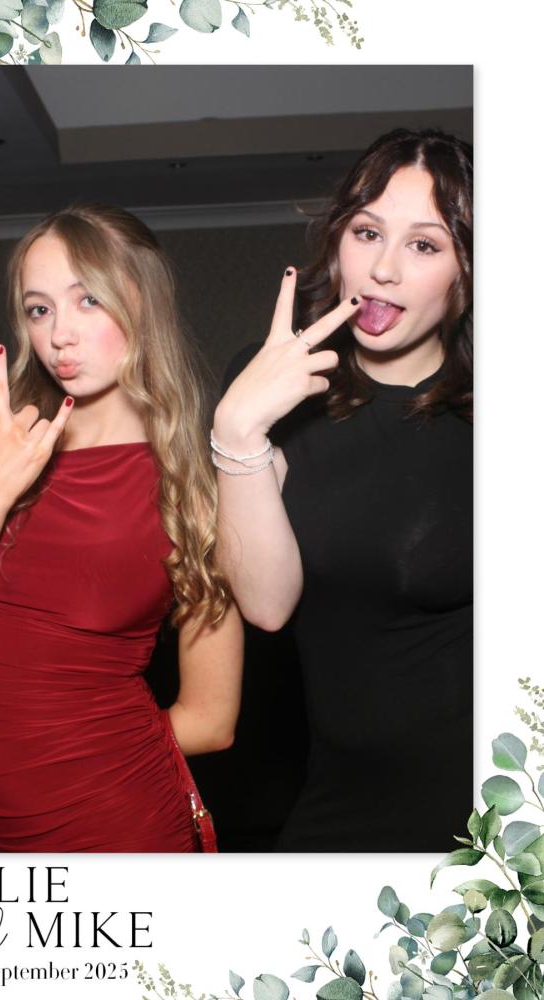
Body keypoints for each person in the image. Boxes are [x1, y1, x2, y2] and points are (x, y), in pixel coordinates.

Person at [0, 204, 243, 853]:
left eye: (88, 300)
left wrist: (65, 756)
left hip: (115, 822)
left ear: (144, 303)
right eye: (39, 309)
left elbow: (211, 718)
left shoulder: (194, 490)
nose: (60, 334)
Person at [213, 129, 472, 851]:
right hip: (337, 801)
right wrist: (235, 430)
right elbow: (266, 605)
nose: (384, 269)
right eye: (367, 232)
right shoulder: (272, 385)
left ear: (466, 270)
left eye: (424, 245)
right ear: (337, 242)